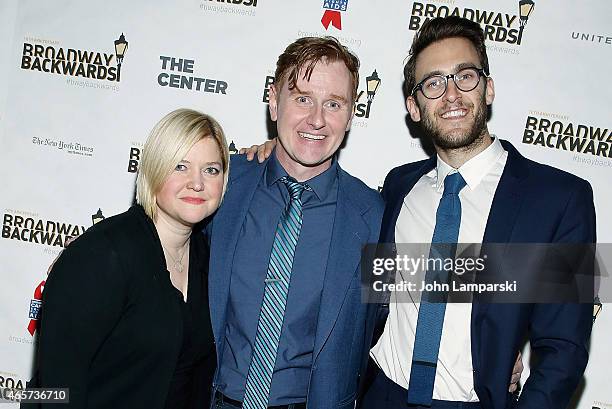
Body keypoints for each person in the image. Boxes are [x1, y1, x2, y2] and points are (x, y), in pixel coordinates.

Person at [363, 16, 596, 409]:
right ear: (414, 107)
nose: (451, 94)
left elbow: (564, 350)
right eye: (433, 83)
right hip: (380, 393)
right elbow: (376, 291)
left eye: (465, 76)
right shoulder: (399, 185)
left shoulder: (561, 199)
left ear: (488, 89)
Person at [207, 37, 385, 409]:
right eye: (303, 98)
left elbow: (408, 313)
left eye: (333, 104)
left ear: (351, 115)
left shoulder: (375, 215)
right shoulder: (222, 184)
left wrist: (490, 351)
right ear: (274, 101)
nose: (316, 119)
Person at [28, 108, 230, 409]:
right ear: (153, 169)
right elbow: (51, 389)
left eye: (211, 169)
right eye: (180, 166)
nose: (197, 183)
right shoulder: (103, 254)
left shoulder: (210, 259)